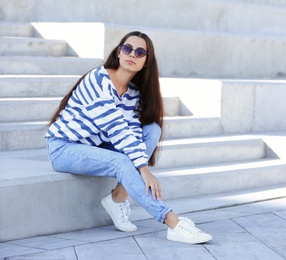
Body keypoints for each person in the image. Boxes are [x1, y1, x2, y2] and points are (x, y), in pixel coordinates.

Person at [45, 31, 212, 244]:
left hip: (97, 146)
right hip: (64, 149)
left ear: (145, 62)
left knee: (152, 130)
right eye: (128, 49)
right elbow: (116, 128)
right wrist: (144, 170)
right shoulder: (98, 79)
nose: (132, 54)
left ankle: (119, 197)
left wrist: (142, 167)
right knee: (122, 160)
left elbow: (131, 133)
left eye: (140, 52)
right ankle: (172, 221)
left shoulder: (132, 93)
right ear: (119, 52)